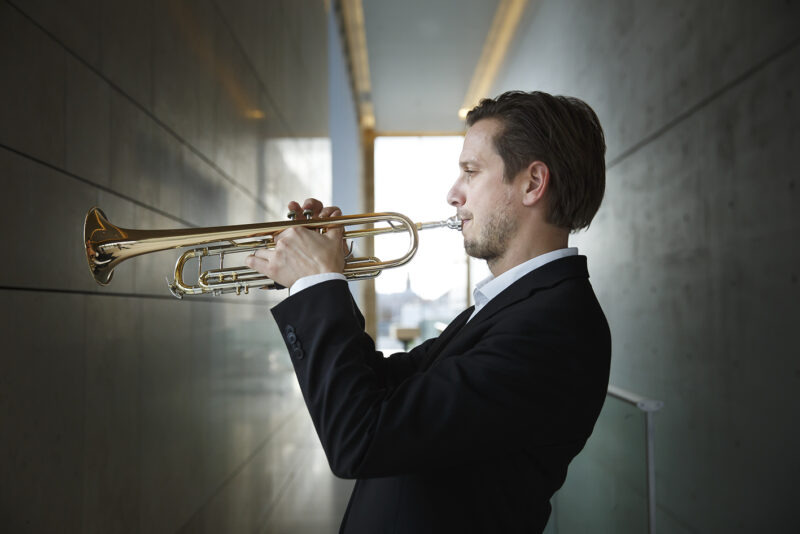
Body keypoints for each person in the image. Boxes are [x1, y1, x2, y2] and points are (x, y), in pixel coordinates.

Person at [245, 90, 611, 533]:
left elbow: (360, 438)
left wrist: (318, 284)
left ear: (533, 183)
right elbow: (382, 393)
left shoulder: (555, 329)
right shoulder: (514, 308)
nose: (453, 194)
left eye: (470, 172)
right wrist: (320, 278)